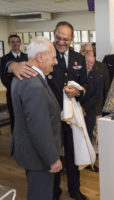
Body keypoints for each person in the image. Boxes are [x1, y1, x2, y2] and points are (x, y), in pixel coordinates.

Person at [8, 21, 88, 200]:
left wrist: (78, 92)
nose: (60, 42)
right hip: (48, 125)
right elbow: (38, 127)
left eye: (65, 39)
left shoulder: (77, 58)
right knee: (48, 176)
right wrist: (11, 65)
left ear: (72, 39)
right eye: (57, 37)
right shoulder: (28, 73)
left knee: (70, 158)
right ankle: (54, 192)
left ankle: (73, 190)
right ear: (42, 57)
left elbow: (86, 85)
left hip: (69, 119)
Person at [11, 36, 62, 200]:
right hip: (39, 156)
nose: (55, 62)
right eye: (53, 57)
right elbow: (39, 128)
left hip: (29, 151)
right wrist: (52, 159)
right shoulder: (34, 84)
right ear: (40, 57)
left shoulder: (21, 77)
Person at [0, 34, 28, 133]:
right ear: (9, 44)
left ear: (20, 43)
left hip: (26, 92)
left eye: (17, 41)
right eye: (12, 42)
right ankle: (16, 138)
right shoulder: (4, 59)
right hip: (12, 93)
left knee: (26, 115)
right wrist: (15, 88)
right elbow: (3, 77)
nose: (15, 44)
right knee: (14, 116)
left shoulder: (27, 57)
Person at [80, 44, 110, 115]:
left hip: (97, 109)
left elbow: (107, 88)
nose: (86, 53)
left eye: (89, 51)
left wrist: (106, 109)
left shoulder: (102, 66)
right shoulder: (76, 67)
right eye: (84, 50)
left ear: (93, 52)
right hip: (80, 109)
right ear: (80, 52)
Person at [81, 53, 100, 143]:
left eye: (91, 63)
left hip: (89, 113)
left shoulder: (96, 78)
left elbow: (96, 96)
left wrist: (84, 108)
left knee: (87, 138)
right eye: (87, 61)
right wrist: (79, 108)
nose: (89, 64)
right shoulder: (77, 76)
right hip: (76, 111)